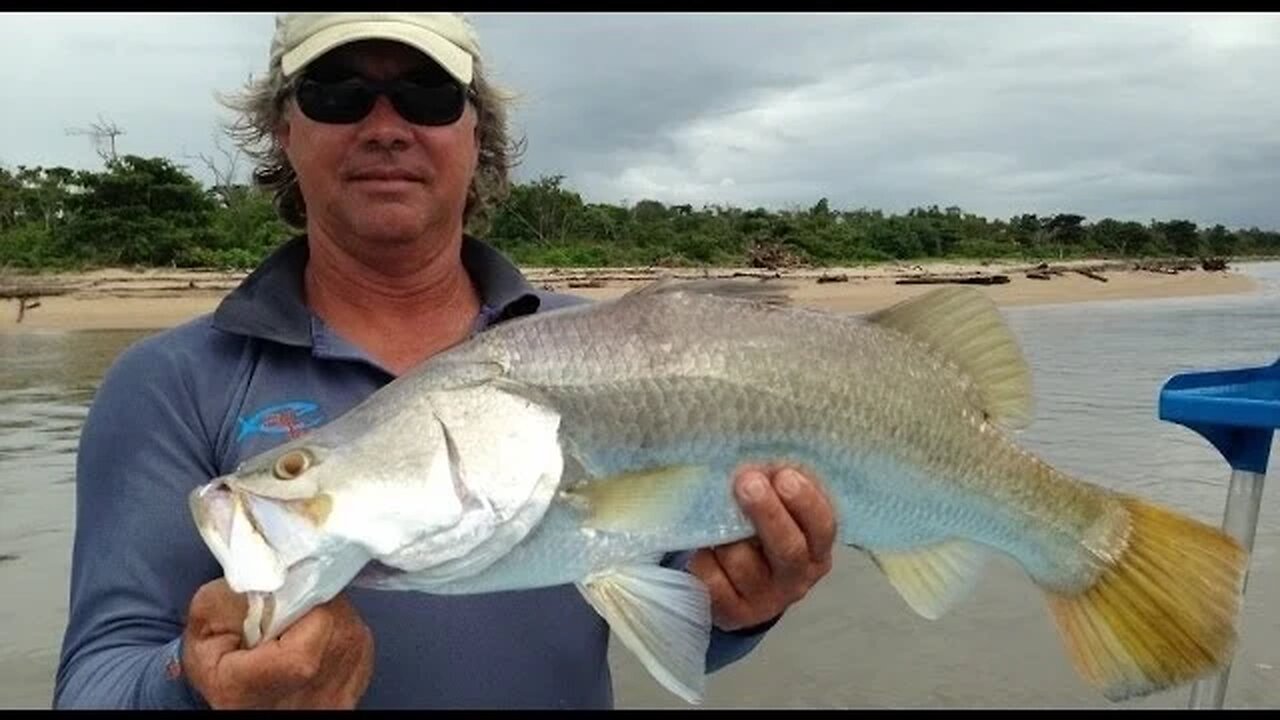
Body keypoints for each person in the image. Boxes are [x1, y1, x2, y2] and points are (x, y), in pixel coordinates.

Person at [53, 12, 838, 709]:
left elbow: (681, 605)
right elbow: (95, 681)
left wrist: (746, 606)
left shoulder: (619, 350)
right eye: (337, 91)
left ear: (476, 133)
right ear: (285, 130)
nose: (385, 125)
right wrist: (196, 689)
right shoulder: (169, 384)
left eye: (427, 94)